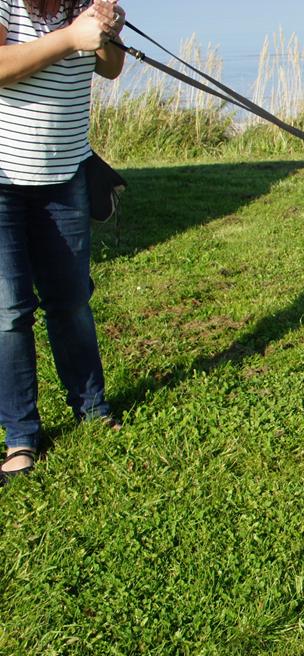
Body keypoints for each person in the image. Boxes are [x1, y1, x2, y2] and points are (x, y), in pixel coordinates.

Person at [0, 0, 125, 484]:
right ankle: (21, 435)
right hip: (4, 178)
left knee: (72, 301)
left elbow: (110, 69)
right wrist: (71, 38)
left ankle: (92, 409)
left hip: (66, 172)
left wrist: (107, 30)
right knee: (10, 311)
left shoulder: (85, 2)